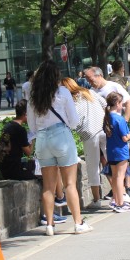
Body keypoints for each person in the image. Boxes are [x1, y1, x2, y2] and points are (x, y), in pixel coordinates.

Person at [28, 61, 92, 236]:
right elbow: (74, 121)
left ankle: (49, 225)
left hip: (42, 140)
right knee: (69, 183)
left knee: (48, 186)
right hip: (61, 136)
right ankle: (78, 223)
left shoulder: (34, 97)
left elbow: (32, 126)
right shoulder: (62, 92)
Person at [62, 76, 108, 210]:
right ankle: (119, 195)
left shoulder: (73, 101)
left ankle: (97, 199)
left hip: (89, 134)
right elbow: (105, 104)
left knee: (93, 167)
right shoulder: (90, 92)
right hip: (103, 130)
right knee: (111, 163)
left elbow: (73, 121)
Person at [103, 92, 130, 212]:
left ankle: (116, 201)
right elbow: (125, 138)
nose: (122, 105)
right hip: (121, 151)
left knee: (115, 176)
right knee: (120, 177)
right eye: (121, 103)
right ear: (117, 103)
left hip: (111, 150)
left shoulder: (107, 118)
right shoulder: (119, 119)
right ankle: (120, 203)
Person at [0, 101, 35, 180]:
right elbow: (28, 152)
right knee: (41, 168)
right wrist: (33, 138)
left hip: (4, 168)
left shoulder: (8, 125)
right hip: (14, 170)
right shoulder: (20, 130)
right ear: (25, 114)